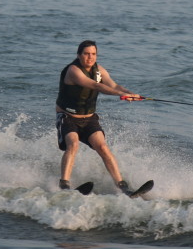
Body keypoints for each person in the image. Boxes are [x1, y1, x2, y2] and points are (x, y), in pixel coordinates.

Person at [56, 40, 141, 194]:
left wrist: (129, 93)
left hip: (89, 118)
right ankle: (64, 185)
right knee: (73, 144)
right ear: (79, 55)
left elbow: (113, 86)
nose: (90, 57)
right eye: (86, 54)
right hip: (68, 117)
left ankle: (122, 186)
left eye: (93, 54)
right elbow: (95, 85)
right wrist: (121, 95)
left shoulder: (99, 70)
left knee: (102, 147)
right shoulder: (73, 71)